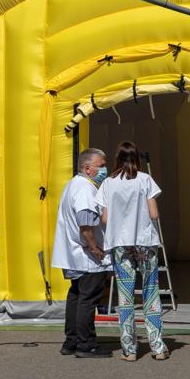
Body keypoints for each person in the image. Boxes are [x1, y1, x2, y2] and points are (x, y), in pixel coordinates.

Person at [100, 141, 168, 361]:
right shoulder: (145, 180)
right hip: (144, 242)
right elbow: (154, 214)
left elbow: (105, 218)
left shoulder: (108, 183)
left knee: (126, 297)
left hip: (120, 243)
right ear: (136, 158)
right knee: (151, 292)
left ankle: (129, 349)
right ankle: (157, 346)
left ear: (117, 159)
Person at [52, 148, 113, 358]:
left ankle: (72, 340)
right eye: (101, 165)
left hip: (75, 254)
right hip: (87, 256)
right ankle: (86, 344)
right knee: (88, 299)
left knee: (76, 297)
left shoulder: (73, 185)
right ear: (88, 168)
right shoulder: (86, 189)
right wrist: (95, 247)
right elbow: (85, 224)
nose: (105, 169)